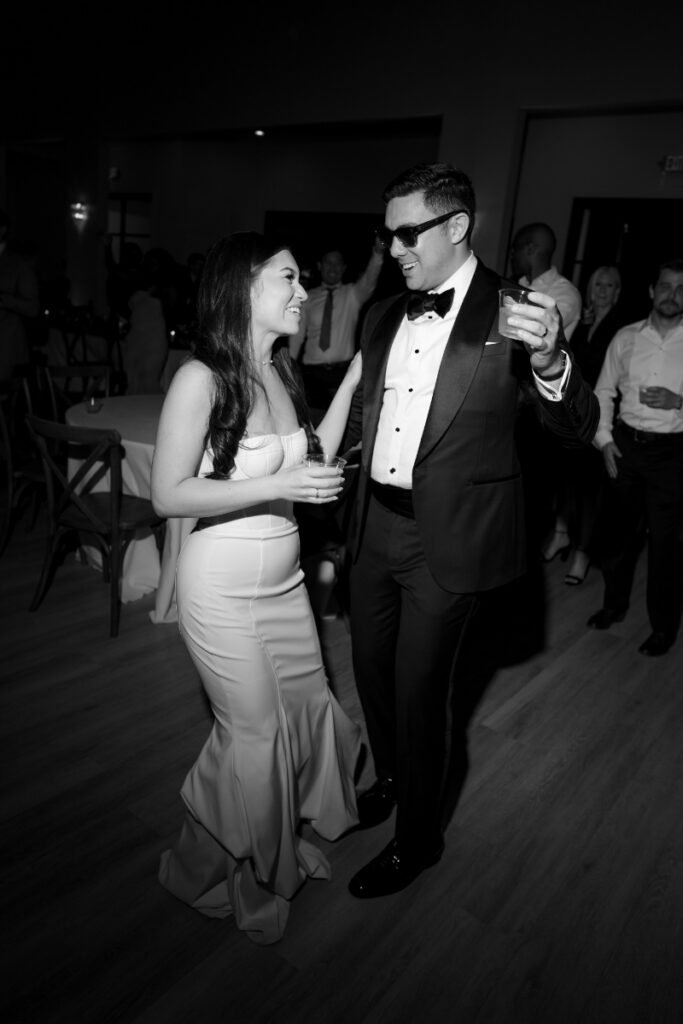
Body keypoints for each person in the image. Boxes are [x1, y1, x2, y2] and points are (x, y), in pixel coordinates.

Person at [342, 162, 599, 899]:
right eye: (386, 234)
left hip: (446, 544)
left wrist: (550, 358)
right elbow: (368, 412)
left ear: (456, 227)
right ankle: (389, 779)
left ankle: (417, 839)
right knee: (370, 672)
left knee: (422, 693)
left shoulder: (515, 313)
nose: (392, 249)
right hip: (372, 530)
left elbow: (576, 427)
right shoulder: (383, 313)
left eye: (405, 233)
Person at [151, 231, 362, 945]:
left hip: (286, 583)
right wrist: (276, 482)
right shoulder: (199, 377)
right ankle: (228, 874)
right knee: (255, 736)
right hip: (222, 589)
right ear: (243, 286)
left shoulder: (280, 369)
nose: (303, 292)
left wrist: (360, 375)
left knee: (304, 712)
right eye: (289, 278)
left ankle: (252, 845)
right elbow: (167, 495)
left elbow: (313, 454)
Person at [587, 258, 683, 657]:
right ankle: (614, 605)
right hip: (625, 447)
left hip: (672, 454)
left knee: (664, 545)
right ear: (651, 291)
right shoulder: (626, 337)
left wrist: (680, 401)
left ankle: (663, 627)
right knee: (618, 537)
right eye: (665, 287)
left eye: (680, 289)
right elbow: (603, 392)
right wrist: (605, 441)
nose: (672, 296)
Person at [541, 265, 625, 583]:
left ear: (618, 292)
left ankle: (582, 556)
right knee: (564, 482)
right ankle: (561, 535)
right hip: (571, 413)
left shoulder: (622, 326)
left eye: (610, 285)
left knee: (590, 493)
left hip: (597, 417)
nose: (603, 289)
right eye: (598, 284)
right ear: (590, 289)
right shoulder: (585, 320)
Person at [289, 242, 384, 415]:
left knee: (342, 423)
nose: (332, 267)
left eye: (337, 263)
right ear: (320, 266)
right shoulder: (307, 298)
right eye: (328, 262)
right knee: (313, 422)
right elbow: (296, 337)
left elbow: (370, 279)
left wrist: (377, 252)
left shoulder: (353, 295)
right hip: (312, 376)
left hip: (342, 375)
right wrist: (288, 372)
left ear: (343, 268)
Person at [510, 222, 582, 341]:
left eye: (515, 250)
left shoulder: (566, 292)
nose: (512, 256)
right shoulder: (517, 284)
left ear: (530, 249)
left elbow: (541, 331)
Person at [0, 208, 40, 380]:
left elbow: (33, 308)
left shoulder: (18, 265)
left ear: (2, 230)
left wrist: (4, 299)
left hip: (5, 346)